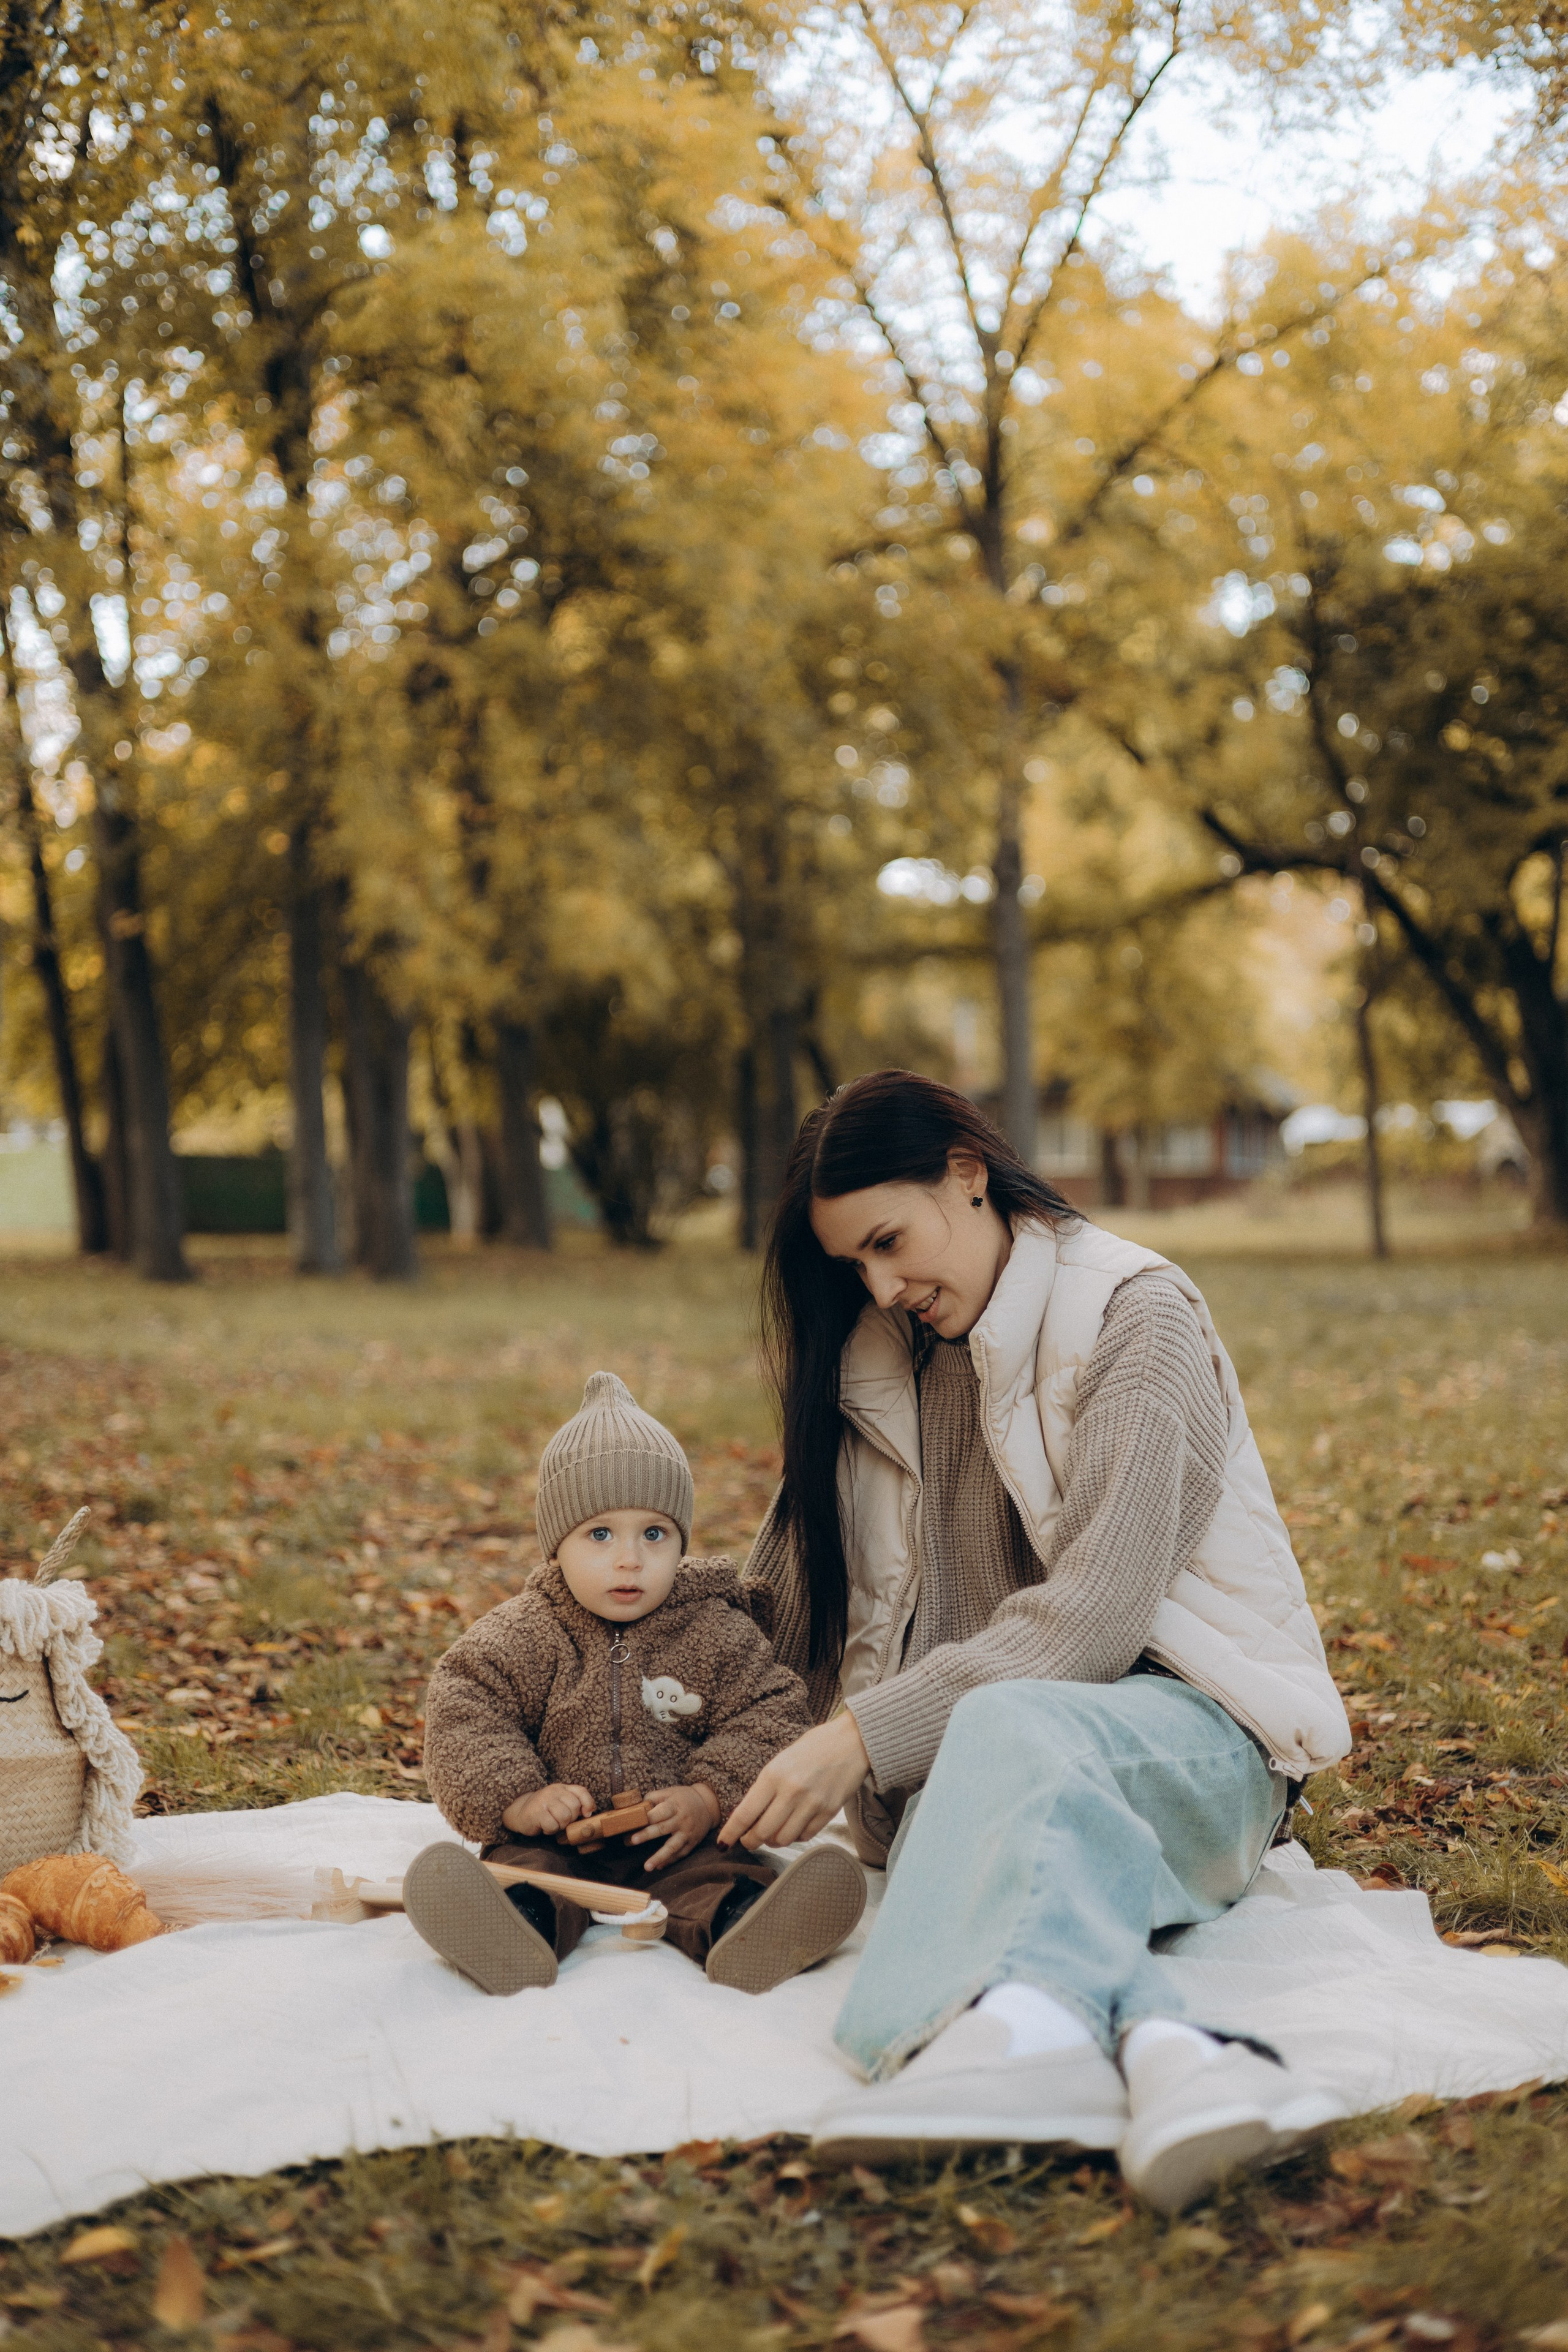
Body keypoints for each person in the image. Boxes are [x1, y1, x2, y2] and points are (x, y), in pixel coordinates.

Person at [721, 1070, 1351, 2213]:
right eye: (851, 1264)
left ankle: (1002, 2035)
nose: (877, 1282)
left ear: (968, 1175)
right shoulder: (877, 1359)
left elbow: (1096, 1621)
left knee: (1003, 1723)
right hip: (981, 1765)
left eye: (888, 1240)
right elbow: (778, 1600)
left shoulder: (1135, 1316)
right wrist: (607, 1639)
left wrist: (861, 1736)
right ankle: (1172, 2052)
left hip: (1195, 1745)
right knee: (987, 1750)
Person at [410, 1371, 865, 1997]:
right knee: (526, 1875)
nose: (630, 1558)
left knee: (723, 1874)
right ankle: (512, 1930)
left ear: (681, 1539)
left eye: (654, 1534)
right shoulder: (526, 1632)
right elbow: (466, 1703)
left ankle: (751, 1925)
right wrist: (520, 1798)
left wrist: (709, 1797)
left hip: (679, 1841)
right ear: (555, 1546)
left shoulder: (713, 1629)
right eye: (600, 1535)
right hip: (561, 1844)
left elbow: (770, 1712)